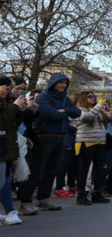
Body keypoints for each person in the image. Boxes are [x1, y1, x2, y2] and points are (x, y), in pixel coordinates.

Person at [31, 73, 81, 211]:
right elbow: (50, 114)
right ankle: (26, 202)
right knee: (37, 171)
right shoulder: (44, 97)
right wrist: (65, 114)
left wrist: (63, 110)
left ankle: (43, 200)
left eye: (65, 83)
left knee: (51, 170)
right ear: (53, 83)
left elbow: (76, 112)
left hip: (60, 137)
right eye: (60, 82)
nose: (63, 85)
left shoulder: (65, 98)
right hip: (44, 137)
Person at [74, 92, 112, 205]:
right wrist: (99, 104)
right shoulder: (79, 110)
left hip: (99, 142)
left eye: (94, 97)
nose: (93, 98)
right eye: (90, 97)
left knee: (101, 169)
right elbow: (87, 117)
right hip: (85, 143)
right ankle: (81, 195)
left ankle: (97, 193)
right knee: (84, 170)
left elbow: (110, 117)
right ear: (83, 98)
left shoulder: (97, 110)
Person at [0, 76, 25, 225]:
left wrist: (22, 111)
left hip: (6, 146)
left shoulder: (7, 102)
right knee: (3, 181)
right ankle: (10, 211)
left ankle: (10, 212)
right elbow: (3, 120)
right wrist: (15, 107)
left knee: (5, 181)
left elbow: (12, 124)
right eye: (6, 87)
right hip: (3, 147)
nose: (8, 90)